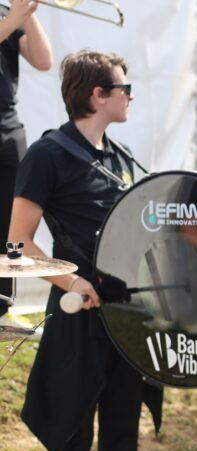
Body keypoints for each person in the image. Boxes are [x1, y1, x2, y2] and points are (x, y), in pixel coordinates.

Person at [9, 50, 161, 451]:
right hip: (79, 315)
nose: (131, 96)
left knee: (122, 431)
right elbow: (17, 243)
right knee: (73, 434)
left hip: (126, 315)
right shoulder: (48, 154)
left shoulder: (119, 156)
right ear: (98, 95)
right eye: (124, 88)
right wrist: (70, 280)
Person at [0, 0, 52, 322]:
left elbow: (44, 60)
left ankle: (4, 301)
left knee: (10, 223)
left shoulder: (9, 12)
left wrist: (27, 16)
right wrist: (13, 19)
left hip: (8, 129)